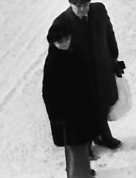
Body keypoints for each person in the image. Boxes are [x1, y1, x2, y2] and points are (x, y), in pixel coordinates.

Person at [51, 0, 121, 150]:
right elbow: (58, 54)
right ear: (71, 5)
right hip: (81, 75)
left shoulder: (99, 10)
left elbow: (109, 33)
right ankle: (86, 146)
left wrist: (113, 56)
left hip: (102, 68)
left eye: (86, 5)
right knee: (85, 110)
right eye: (79, 6)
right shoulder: (61, 23)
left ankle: (104, 136)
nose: (83, 9)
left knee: (103, 103)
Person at [42, 22, 97, 178]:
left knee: (79, 147)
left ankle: (81, 171)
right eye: (60, 41)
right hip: (69, 115)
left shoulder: (75, 51)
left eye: (66, 38)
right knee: (77, 147)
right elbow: (48, 92)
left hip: (83, 109)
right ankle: (79, 174)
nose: (64, 43)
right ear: (53, 42)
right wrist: (57, 116)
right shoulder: (53, 61)